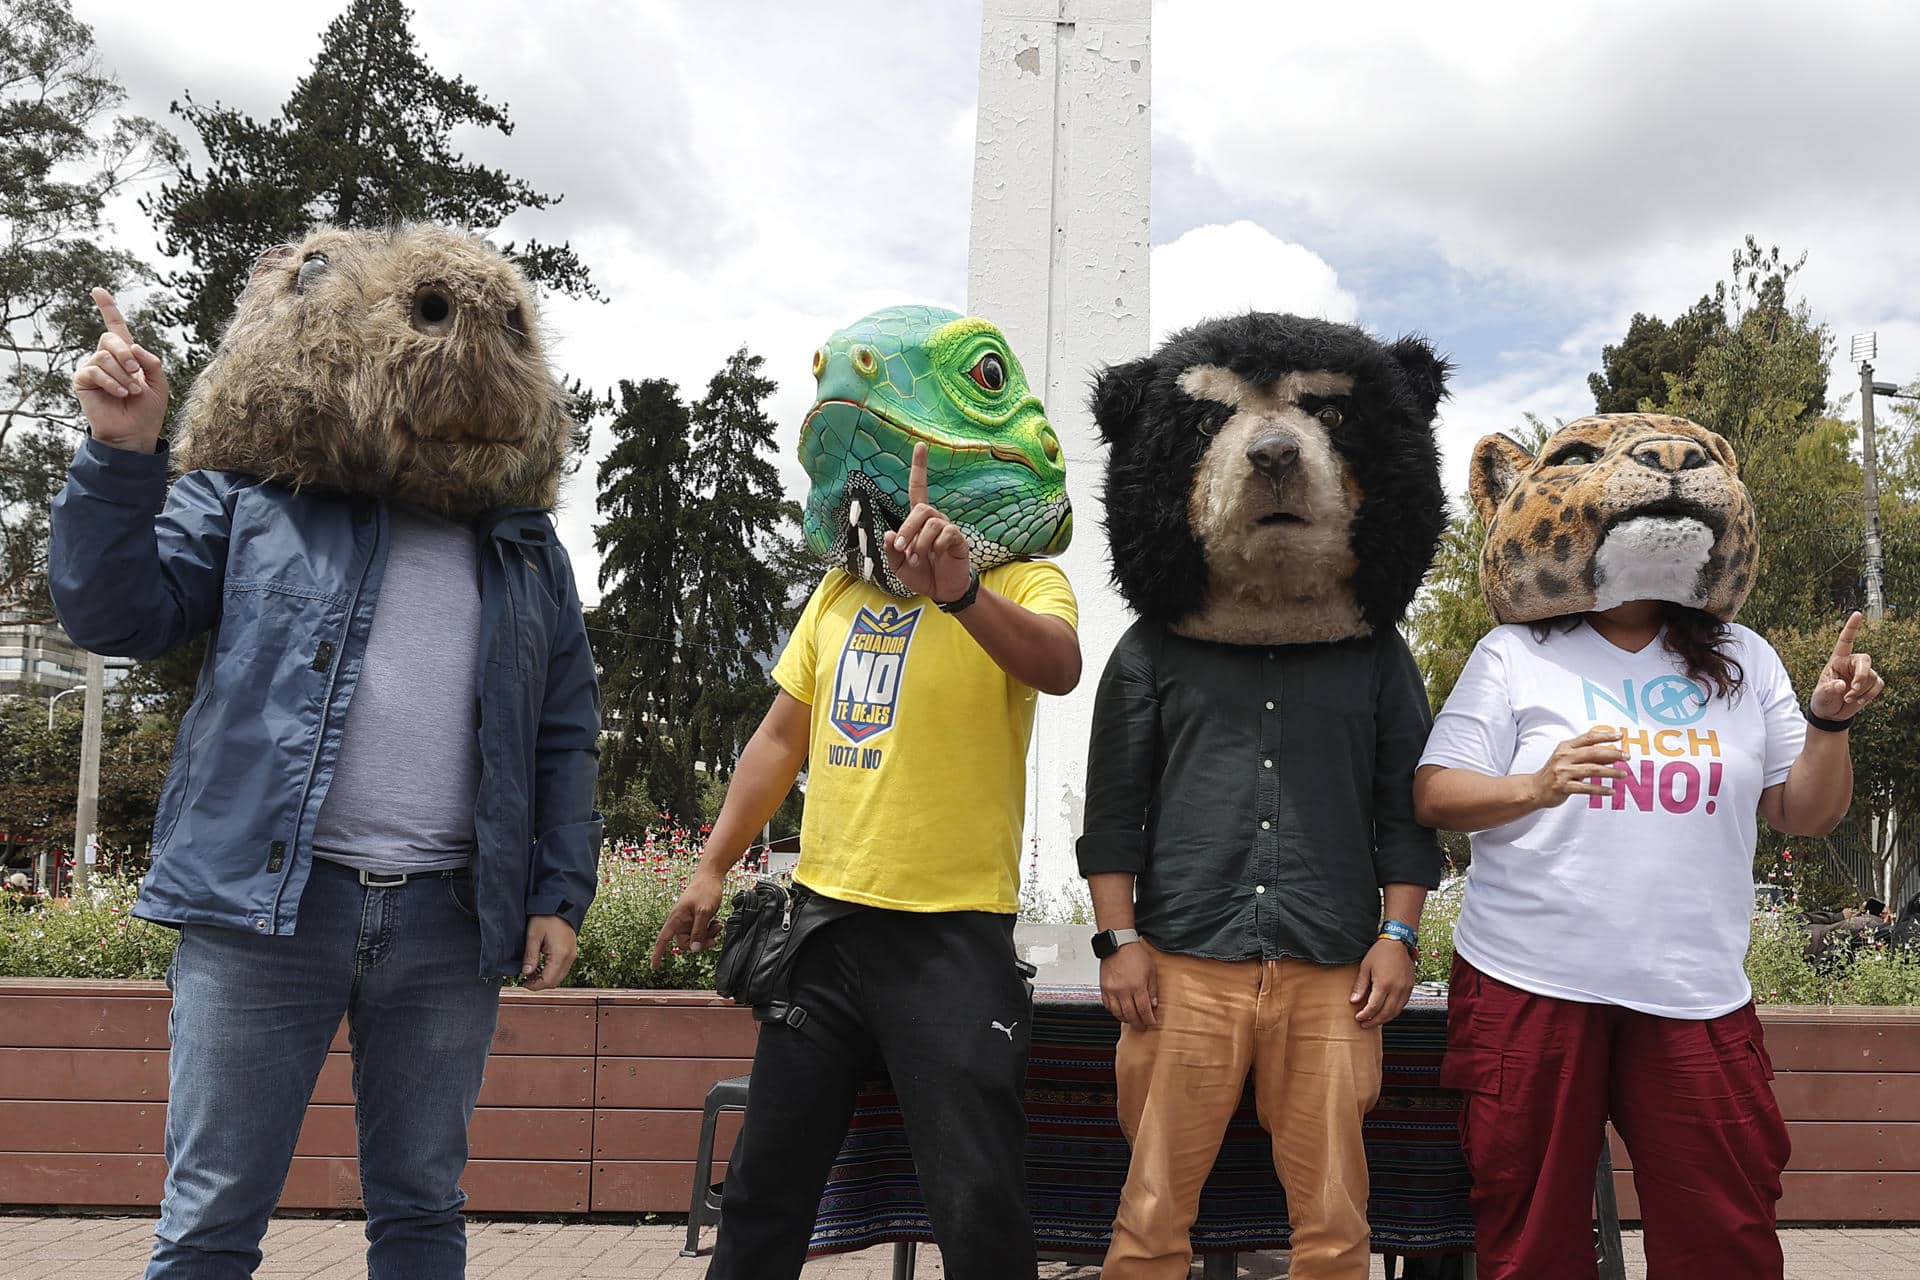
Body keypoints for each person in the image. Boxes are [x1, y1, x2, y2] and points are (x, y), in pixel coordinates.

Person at [50, 226, 600, 1280]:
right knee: (212, 1213)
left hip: (447, 921)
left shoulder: (530, 551)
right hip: (267, 915)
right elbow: (115, 611)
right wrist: (122, 453)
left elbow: (564, 730)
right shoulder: (257, 501)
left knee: (424, 1206)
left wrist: (557, 890)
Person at [652, 307, 1080, 1280]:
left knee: (978, 1207)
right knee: (763, 1191)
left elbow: (1059, 666)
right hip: (823, 927)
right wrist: (712, 865)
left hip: (952, 937)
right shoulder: (836, 596)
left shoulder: (1024, 578)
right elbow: (779, 734)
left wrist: (962, 593)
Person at [1415, 414, 1885, 1280]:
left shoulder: (1745, 658)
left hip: (1694, 989)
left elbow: (1805, 814)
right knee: (1530, 1233)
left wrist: (1828, 723)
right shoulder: (1516, 653)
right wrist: (1536, 785)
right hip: (1532, 981)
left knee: (1727, 1233)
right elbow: (1435, 792)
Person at [1076, 314, 1454, 1280]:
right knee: (1152, 1212)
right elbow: (1113, 809)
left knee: (1333, 1223)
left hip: (1333, 963)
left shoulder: (1376, 657)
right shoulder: (1150, 654)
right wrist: (1117, 941)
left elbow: (1404, 810)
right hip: (1181, 960)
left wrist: (1398, 935)